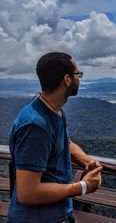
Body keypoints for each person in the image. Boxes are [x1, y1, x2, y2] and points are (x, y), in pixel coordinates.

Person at [8, 52, 102, 223]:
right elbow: (27, 192)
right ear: (67, 79)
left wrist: (87, 161)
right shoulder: (35, 126)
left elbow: (64, 141)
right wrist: (82, 187)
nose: (79, 79)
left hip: (58, 215)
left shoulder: (52, 110)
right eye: (77, 75)